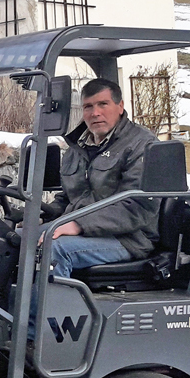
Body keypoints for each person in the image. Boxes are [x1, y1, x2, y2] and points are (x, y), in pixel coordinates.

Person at [28, 78, 159, 341]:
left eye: (103, 104)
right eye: (88, 106)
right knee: (18, 241)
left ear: (120, 106)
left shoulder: (142, 146)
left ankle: (44, 339)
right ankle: (4, 323)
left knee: (56, 251)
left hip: (129, 238)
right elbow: (68, 197)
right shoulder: (79, 146)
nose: (95, 112)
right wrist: (42, 216)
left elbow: (137, 207)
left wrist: (78, 225)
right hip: (86, 231)